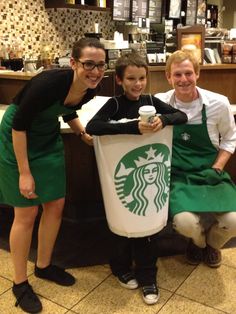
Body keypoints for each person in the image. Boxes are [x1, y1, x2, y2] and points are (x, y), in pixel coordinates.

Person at [0, 37, 106, 313]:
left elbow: (68, 110)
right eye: (89, 64)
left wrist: (81, 132)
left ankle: (44, 266)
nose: (95, 71)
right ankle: (20, 282)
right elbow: (19, 126)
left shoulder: (91, 88)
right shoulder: (50, 82)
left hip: (47, 141)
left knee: (55, 206)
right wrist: (24, 172)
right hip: (18, 141)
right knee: (26, 213)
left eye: (101, 65)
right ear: (73, 63)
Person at [86, 52, 187, 305]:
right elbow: (93, 127)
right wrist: (131, 127)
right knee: (121, 231)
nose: (137, 83)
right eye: (131, 78)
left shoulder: (152, 101)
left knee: (148, 230)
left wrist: (163, 120)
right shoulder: (115, 104)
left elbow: (181, 117)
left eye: (142, 78)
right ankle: (120, 267)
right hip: (124, 182)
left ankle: (148, 276)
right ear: (119, 80)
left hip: (151, 187)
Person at [155, 50, 236, 269]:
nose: (183, 80)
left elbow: (230, 138)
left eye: (188, 73)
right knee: (185, 223)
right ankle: (198, 242)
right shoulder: (159, 103)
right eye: (177, 74)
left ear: (197, 74)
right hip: (178, 176)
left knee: (234, 221)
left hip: (211, 173)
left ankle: (213, 243)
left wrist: (218, 167)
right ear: (168, 77)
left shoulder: (218, 103)